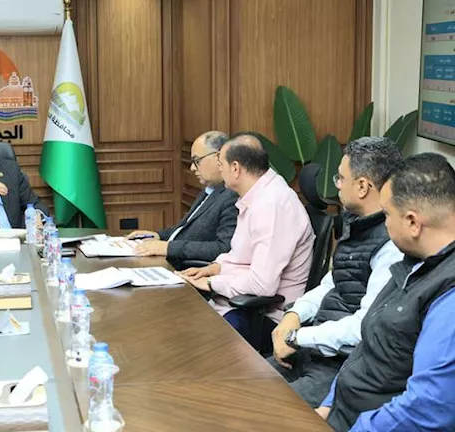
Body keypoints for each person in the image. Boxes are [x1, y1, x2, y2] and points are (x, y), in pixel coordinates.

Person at [317, 153, 455, 431]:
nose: (384, 223)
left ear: (413, 222)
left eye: (387, 214)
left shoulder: (448, 296)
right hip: (342, 411)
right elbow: (368, 344)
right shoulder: (413, 262)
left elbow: (427, 408)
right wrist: (329, 403)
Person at [267, 137, 404, 407]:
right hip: (313, 348)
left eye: (340, 178)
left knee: (263, 412)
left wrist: (298, 337)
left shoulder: (392, 246)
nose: (336, 185)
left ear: (362, 186)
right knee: (240, 387)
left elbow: (363, 327)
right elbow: (333, 283)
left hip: (343, 365)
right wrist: (294, 315)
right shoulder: (356, 224)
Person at [178, 133, 314, 352]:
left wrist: (212, 283)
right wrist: (215, 268)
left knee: (184, 341)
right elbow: (241, 256)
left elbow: (262, 286)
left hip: (263, 315)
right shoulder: (255, 195)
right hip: (236, 303)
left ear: (235, 168)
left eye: (221, 165)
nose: (219, 170)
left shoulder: (272, 205)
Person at [126, 131, 238, 268]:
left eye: (197, 161)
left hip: (187, 270)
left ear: (218, 157)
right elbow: (187, 229)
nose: (192, 168)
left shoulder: (232, 196)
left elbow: (223, 248)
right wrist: (158, 236)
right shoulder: (211, 189)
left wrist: (168, 247)